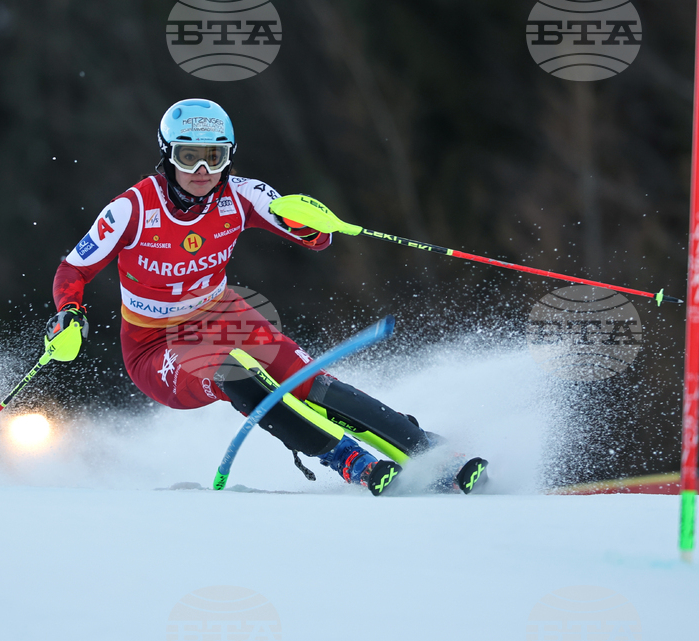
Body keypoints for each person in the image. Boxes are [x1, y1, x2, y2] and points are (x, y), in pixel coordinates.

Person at [46, 98, 450, 496]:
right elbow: (73, 269)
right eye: (189, 157)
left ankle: (423, 446)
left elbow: (317, 239)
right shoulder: (131, 210)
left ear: (230, 156)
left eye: (215, 156)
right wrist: (70, 313)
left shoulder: (242, 195)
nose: (202, 171)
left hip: (222, 314)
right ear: (167, 156)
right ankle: (346, 459)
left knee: (306, 381)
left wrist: (310, 226)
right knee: (230, 371)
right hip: (155, 345)